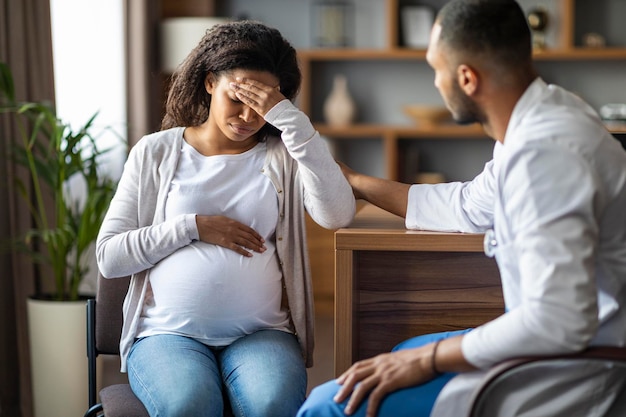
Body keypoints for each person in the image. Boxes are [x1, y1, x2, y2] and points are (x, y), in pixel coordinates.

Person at [296, 1, 626, 416]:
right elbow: (468, 206)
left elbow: (557, 320)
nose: (435, 82)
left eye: (436, 69)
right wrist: (360, 184)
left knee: (326, 406)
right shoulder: (540, 118)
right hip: (550, 338)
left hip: (569, 367)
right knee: (399, 349)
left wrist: (427, 359)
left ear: (466, 77)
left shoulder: (546, 152)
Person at [96, 20, 355, 417]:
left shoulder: (283, 155)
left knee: (272, 404)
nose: (249, 116)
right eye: (239, 97)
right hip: (167, 334)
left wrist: (293, 123)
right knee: (191, 404)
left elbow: (337, 214)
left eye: (263, 104)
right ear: (210, 82)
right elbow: (110, 257)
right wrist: (192, 227)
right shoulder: (155, 153)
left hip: (261, 332)